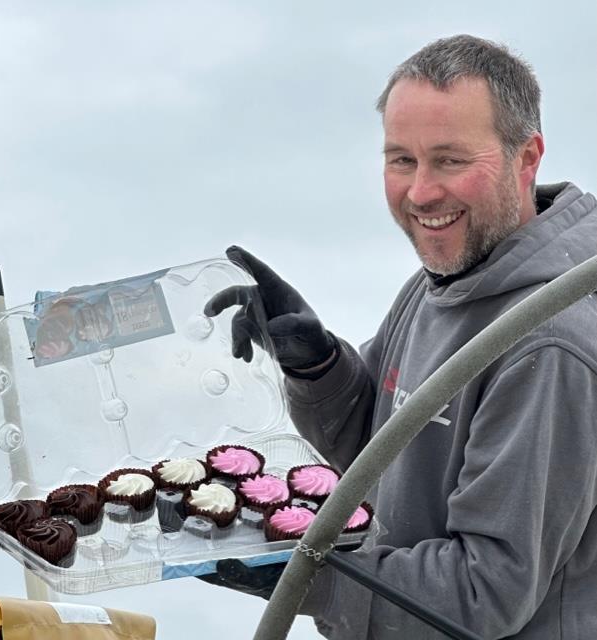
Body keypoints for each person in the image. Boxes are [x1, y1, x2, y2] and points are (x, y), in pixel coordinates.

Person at [201, 34, 597, 639]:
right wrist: (319, 367)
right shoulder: (446, 278)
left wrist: (309, 574)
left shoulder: (549, 346)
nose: (421, 193)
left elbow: (484, 591)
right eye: (402, 160)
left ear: (526, 158)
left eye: (450, 159)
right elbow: (379, 452)